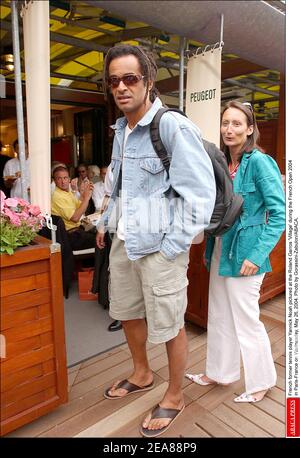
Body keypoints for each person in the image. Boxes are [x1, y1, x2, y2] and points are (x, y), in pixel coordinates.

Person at [96, 44, 215, 437]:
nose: (121, 87)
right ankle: (142, 373)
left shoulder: (172, 127)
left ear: (148, 81)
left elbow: (200, 196)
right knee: (127, 311)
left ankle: (176, 395)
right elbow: (120, 187)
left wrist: (171, 246)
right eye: (114, 80)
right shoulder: (121, 130)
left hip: (161, 246)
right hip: (125, 240)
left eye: (130, 78)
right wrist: (106, 222)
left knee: (169, 323)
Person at [185, 100, 285, 403]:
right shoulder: (221, 162)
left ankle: (261, 381)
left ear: (250, 129)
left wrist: (256, 256)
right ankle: (219, 372)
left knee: (246, 320)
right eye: (225, 123)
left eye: (237, 123)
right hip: (219, 249)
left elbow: (279, 214)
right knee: (219, 316)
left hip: (246, 253)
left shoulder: (259, 162)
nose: (229, 129)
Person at [51, 166, 96, 251]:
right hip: (72, 236)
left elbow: (81, 210)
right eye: (59, 178)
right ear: (54, 181)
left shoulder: (67, 192)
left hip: (78, 230)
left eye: (65, 178)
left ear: (69, 179)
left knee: (102, 233)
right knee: (103, 239)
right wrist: (86, 198)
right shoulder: (58, 196)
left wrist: (83, 195)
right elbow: (75, 218)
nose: (63, 181)